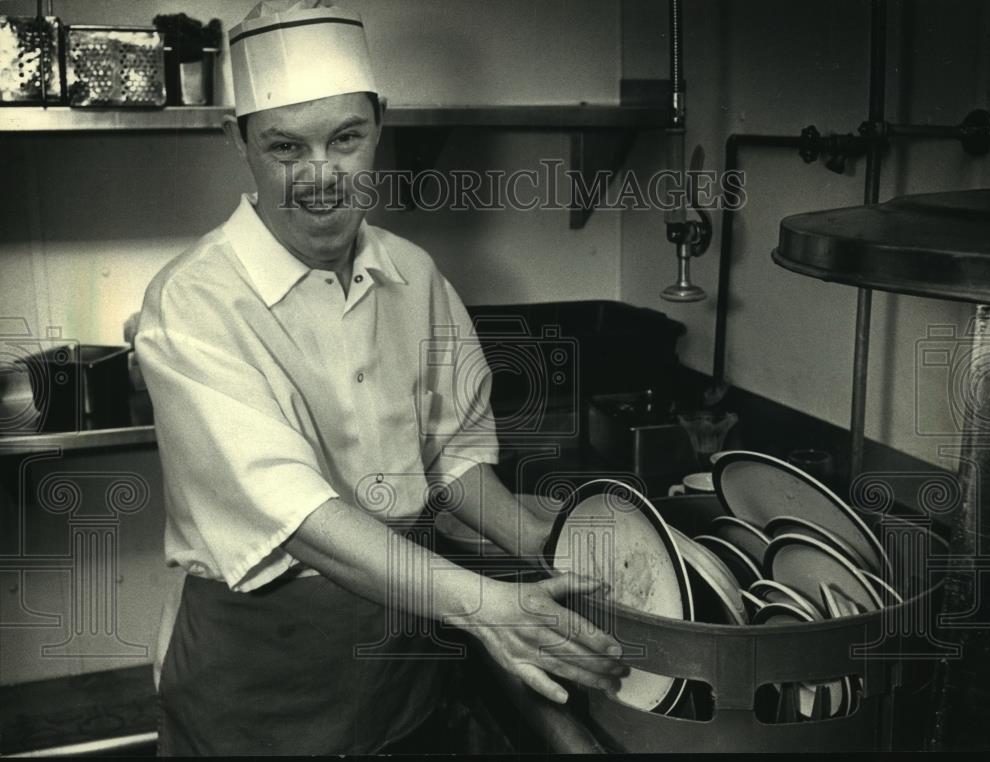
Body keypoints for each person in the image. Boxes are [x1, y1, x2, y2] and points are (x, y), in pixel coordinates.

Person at [135, 1, 625, 755]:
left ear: (379, 126)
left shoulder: (413, 275)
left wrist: (549, 542)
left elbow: (453, 457)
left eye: (345, 138)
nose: (322, 176)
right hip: (260, 680)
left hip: (398, 670)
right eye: (285, 148)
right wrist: (485, 605)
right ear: (239, 143)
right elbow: (295, 515)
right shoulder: (194, 302)